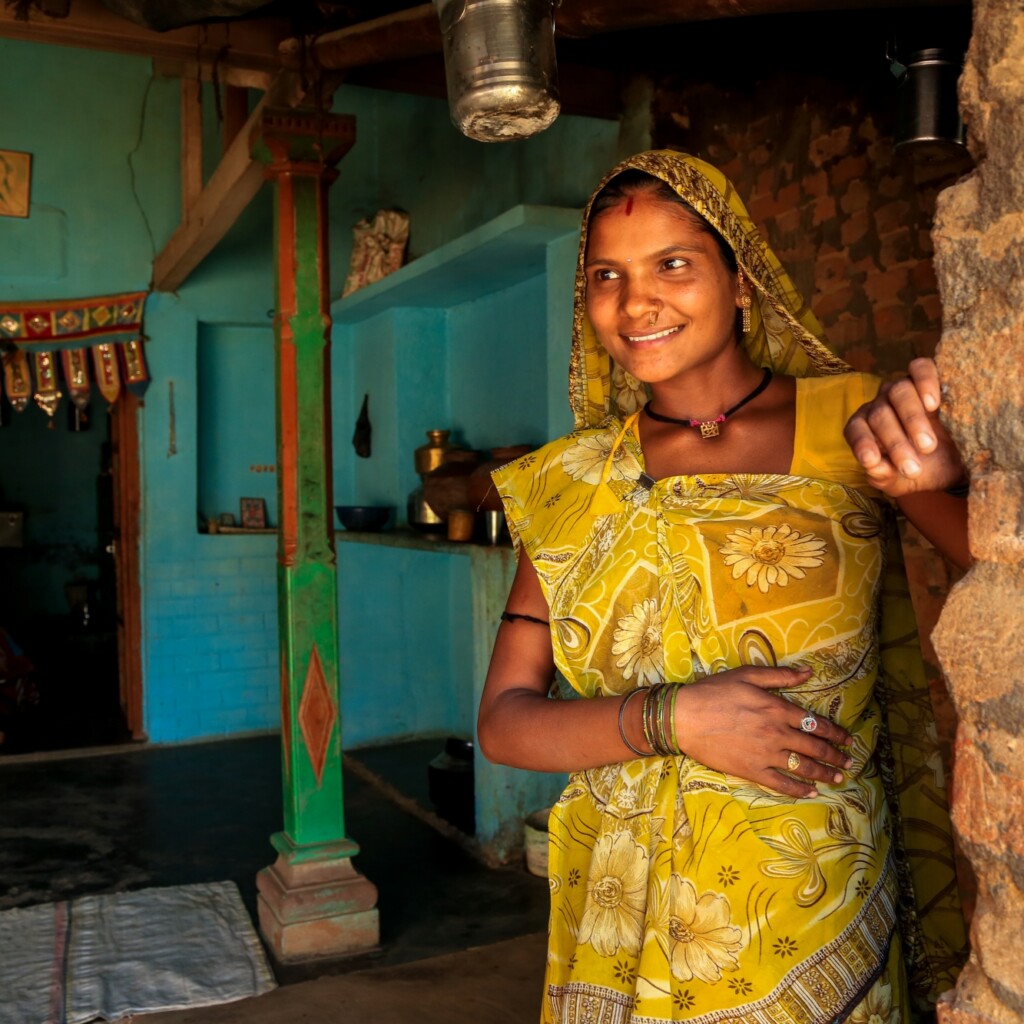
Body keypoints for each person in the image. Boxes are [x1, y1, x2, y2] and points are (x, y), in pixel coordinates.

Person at [478, 150, 968, 1024]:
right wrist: (672, 718)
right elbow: (505, 722)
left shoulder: (853, 424)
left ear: (741, 280)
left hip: (814, 908)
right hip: (620, 909)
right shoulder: (573, 486)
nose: (637, 302)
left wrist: (935, 479)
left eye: (673, 263)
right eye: (606, 276)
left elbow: (995, 573)